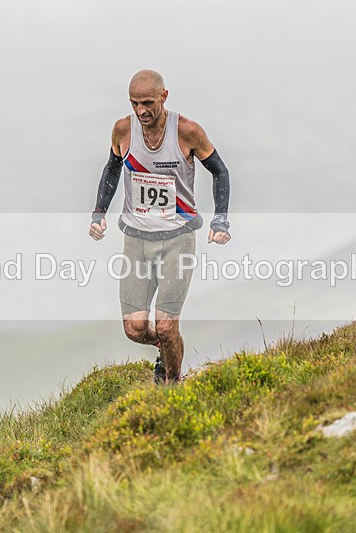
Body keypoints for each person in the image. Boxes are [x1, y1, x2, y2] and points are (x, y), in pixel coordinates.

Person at [89, 69, 231, 384]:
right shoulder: (123, 131)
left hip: (177, 239)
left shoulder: (188, 131)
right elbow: (112, 169)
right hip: (137, 241)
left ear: (164, 96)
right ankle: (167, 349)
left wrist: (220, 217)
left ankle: (172, 382)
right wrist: (99, 211)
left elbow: (220, 171)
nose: (141, 111)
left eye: (148, 103)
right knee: (135, 328)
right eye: (135, 103)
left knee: (166, 325)